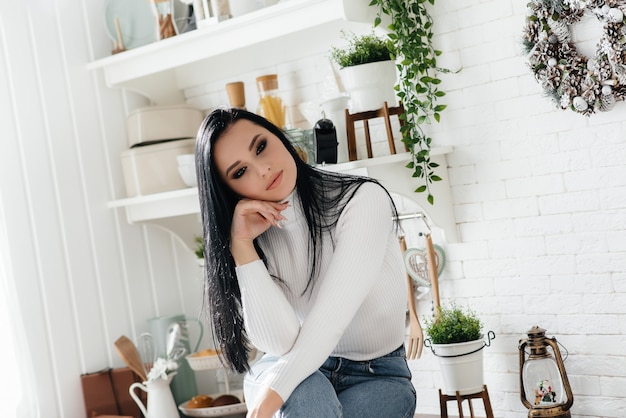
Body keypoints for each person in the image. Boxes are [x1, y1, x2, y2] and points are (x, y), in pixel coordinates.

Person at [195, 107, 416, 418]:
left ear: (280, 138)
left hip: (378, 375)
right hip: (292, 365)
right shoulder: (255, 231)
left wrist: (263, 408)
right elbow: (279, 341)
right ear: (229, 190)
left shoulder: (362, 201)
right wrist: (242, 246)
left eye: (261, 147)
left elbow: (331, 320)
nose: (263, 169)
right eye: (240, 172)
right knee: (305, 394)